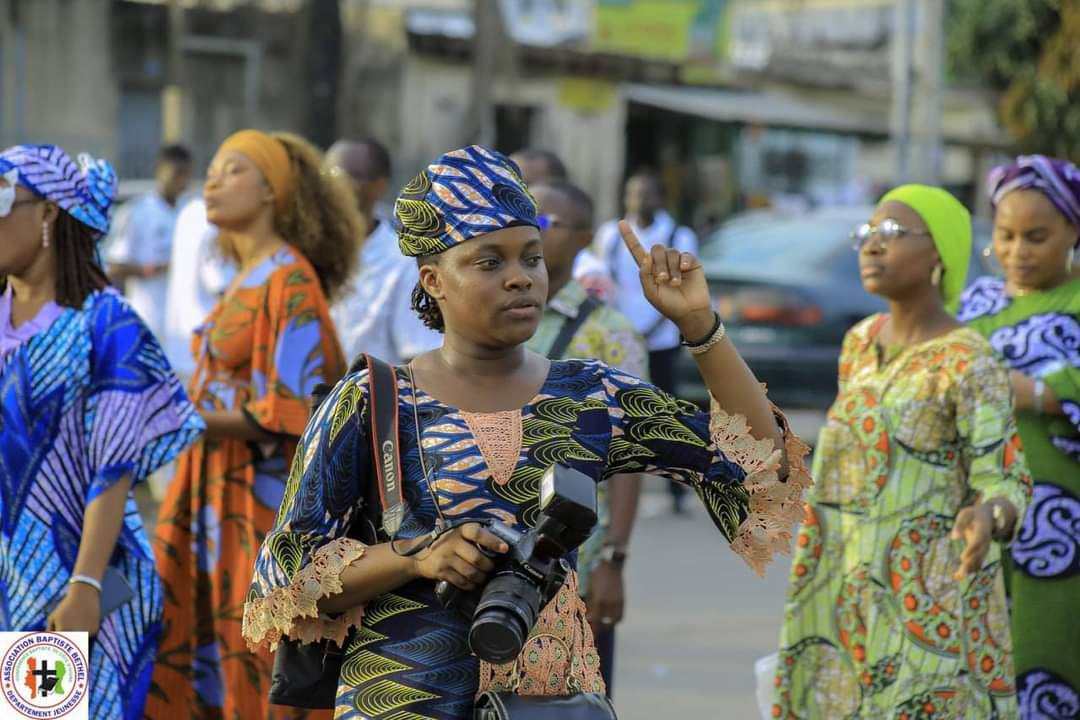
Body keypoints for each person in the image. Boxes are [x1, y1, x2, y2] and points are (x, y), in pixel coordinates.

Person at [241, 145, 811, 718]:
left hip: (545, 700)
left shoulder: (592, 394)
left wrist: (699, 326)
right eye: (490, 263)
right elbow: (285, 574)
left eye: (531, 259)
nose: (520, 279)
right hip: (400, 700)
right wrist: (416, 558)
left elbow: (762, 468)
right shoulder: (372, 400)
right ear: (434, 279)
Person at [774, 185, 1032, 718]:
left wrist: (991, 514)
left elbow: (1004, 475)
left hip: (930, 597)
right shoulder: (859, 342)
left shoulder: (970, 359)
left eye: (890, 234)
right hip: (842, 580)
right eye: (865, 234)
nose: (871, 246)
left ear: (939, 251)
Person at [147, 130, 360, 720]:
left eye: (232, 169)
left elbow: (292, 412)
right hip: (213, 485)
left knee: (257, 652)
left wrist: (175, 418)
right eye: (211, 169)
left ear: (273, 190)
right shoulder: (247, 276)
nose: (212, 181)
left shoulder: (288, 279)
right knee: (211, 642)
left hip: (260, 499)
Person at [0, 144, 203, 718]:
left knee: (43, 711)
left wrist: (85, 586)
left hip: (61, 579)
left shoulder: (105, 325)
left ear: (48, 214)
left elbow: (111, 472)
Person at [958, 155, 1080, 720]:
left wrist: (1024, 390)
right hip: (974, 511)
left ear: (1073, 231)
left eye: (1036, 236)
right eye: (1005, 235)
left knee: (1050, 653)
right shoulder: (977, 303)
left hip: (1062, 526)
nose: (1017, 251)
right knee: (976, 656)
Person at [529, 178, 648, 695]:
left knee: (570, 702)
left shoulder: (611, 332)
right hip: (490, 555)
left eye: (543, 221)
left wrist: (613, 561)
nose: (527, 230)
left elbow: (631, 455)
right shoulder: (485, 315)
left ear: (581, 240)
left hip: (573, 560)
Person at [588, 169, 700, 513]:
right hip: (617, 341)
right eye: (633, 194)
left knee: (666, 413)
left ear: (660, 198)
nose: (640, 201)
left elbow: (683, 288)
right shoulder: (610, 234)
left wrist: (649, 330)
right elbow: (601, 283)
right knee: (611, 412)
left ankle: (678, 489)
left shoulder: (678, 234)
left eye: (647, 194)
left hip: (659, 339)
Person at [328, 138, 441, 365]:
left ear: (379, 185)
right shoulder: (302, 251)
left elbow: (417, 358)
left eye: (345, 177)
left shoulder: (402, 262)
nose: (332, 186)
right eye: (325, 175)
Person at [104, 144, 193, 341]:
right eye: (177, 173)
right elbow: (114, 266)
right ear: (159, 169)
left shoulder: (191, 212)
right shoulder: (137, 211)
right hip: (149, 319)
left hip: (183, 325)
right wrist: (152, 269)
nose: (182, 181)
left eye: (187, 174)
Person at [161, 198, 234, 384]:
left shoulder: (189, 211)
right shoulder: (215, 220)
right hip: (206, 352)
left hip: (178, 347)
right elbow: (222, 286)